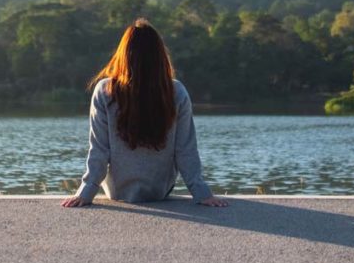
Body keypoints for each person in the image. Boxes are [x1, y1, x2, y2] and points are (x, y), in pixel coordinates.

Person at [61, 18, 228, 207]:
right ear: (160, 56)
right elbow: (185, 150)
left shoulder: (105, 90)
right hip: (159, 190)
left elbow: (99, 149)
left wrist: (86, 192)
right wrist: (202, 194)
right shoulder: (176, 92)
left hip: (117, 190)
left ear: (123, 55)